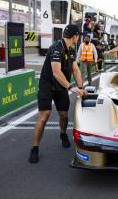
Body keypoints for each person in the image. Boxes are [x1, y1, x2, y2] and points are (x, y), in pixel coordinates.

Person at [29, 25, 86, 164]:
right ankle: (34, 148)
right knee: (44, 116)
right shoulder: (56, 47)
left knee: (64, 115)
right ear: (75, 37)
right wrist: (71, 87)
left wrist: (81, 88)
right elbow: (56, 72)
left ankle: (62, 134)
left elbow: (76, 70)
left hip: (60, 87)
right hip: (47, 85)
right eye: (78, 35)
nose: (78, 37)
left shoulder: (71, 50)